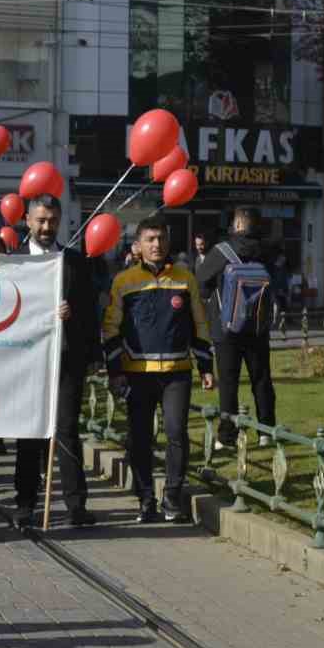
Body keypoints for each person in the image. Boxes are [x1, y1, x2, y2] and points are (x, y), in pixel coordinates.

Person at [103, 215, 214, 523]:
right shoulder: (124, 282)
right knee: (140, 438)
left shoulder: (185, 278)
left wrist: (206, 365)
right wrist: (115, 371)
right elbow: (110, 328)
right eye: (150, 239)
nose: (157, 245)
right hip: (137, 372)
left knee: (177, 433)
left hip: (177, 371)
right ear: (138, 245)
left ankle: (173, 499)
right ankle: (145, 500)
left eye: (162, 239)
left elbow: (200, 323)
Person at [14, 195, 100, 529]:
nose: (46, 227)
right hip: (27, 362)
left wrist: (91, 350)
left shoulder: (74, 261)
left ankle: (76, 505)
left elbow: (90, 312)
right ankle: (24, 506)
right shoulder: (15, 262)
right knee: (29, 435)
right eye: (40, 220)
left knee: (66, 431)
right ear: (27, 220)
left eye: (52, 221)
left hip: (66, 360)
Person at [195, 206, 276, 453]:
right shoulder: (266, 250)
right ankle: (267, 431)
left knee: (229, 383)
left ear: (237, 225)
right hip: (257, 326)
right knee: (261, 379)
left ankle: (227, 436)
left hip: (226, 327)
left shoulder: (221, 251)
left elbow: (200, 281)